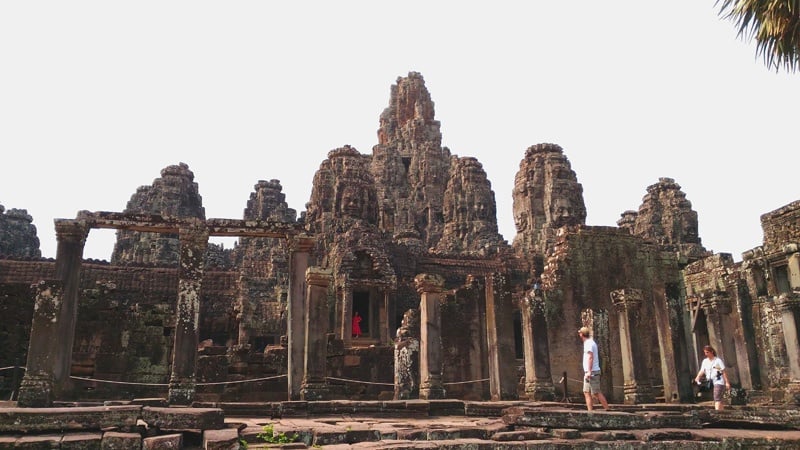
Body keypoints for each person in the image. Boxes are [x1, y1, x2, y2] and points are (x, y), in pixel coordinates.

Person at [578, 326, 610, 411]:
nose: (579, 334)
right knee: (586, 392)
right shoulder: (588, 343)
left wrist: (589, 371)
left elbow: (590, 357)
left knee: (596, 392)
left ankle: (607, 409)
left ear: (582, 334)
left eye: (579, 333)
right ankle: (590, 412)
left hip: (592, 372)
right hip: (589, 372)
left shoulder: (589, 343)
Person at [694, 345, 730, 410]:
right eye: (705, 352)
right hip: (710, 381)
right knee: (719, 398)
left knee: (716, 397)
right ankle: (721, 412)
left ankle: (717, 413)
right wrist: (697, 377)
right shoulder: (705, 361)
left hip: (718, 381)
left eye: (707, 352)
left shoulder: (717, 361)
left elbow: (723, 372)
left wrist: (727, 382)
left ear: (712, 352)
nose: (706, 354)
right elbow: (702, 370)